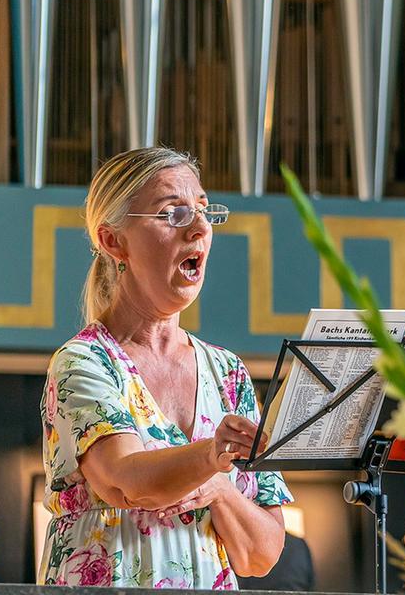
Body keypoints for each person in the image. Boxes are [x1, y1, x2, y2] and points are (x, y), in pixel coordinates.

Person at [39, 147, 291, 588]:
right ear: (113, 241)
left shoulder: (228, 373)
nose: (198, 227)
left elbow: (260, 554)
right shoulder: (84, 361)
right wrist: (212, 456)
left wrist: (219, 488)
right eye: (173, 214)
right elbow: (128, 482)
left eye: (201, 209)